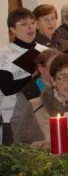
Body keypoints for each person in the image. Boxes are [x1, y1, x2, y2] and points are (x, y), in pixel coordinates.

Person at [1, 8, 48, 144]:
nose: (30, 27)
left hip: (42, 113)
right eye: (23, 24)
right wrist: (31, 76)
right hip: (14, 114)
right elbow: (7, 88)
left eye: (33, 23)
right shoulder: (4, 53)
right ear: (13, 29)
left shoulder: (45, 51)